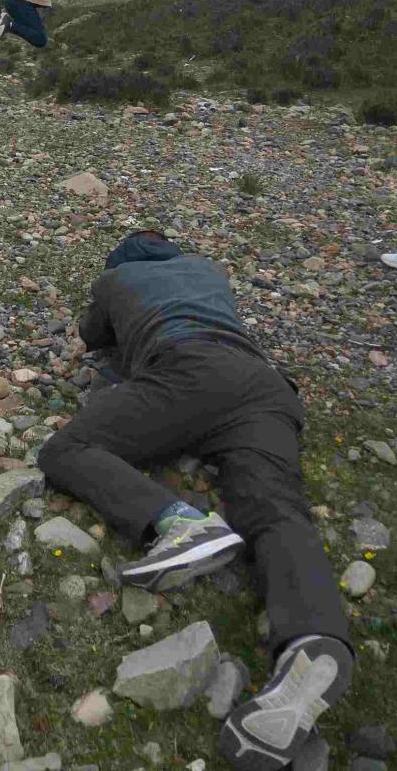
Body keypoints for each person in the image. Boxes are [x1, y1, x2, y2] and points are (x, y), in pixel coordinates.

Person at [37, 230, 354, 771]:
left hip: (185, 372)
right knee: (276, 510)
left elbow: (93, 336)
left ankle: (177, 522)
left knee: (68, 448)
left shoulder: (117, 277)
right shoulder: (209, 271)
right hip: (267, 388)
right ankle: (313, 637)